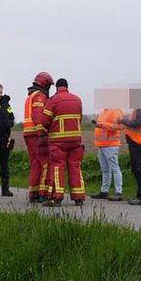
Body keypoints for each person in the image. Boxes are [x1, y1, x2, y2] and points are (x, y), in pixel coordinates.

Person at [39, 77, 85, 206]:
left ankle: (56, 198)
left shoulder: (53, 100)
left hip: (58, 141)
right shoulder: (77, 99)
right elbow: (79, 118)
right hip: (76, 140)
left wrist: (46, 131)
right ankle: (79, 197)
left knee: (57, 167)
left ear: (57, 88)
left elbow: (44, 121)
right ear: (67, 86)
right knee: (75, 166)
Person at [22, 71, 53, 203]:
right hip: (36, 134)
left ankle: (33, 193)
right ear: (44, 84)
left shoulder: (31, 95)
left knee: (35, 164)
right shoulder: (40, 96)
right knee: (45, 163)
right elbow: (39, 115)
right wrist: (42, 134)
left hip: (29, 134)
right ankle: (43, 192)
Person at [118, 103, 141, 205]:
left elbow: (138, 122)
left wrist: (122, 120)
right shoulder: (140, 107)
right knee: (136, 169)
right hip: (137, 141)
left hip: (140, 142)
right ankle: (140, 195)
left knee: (138, 169)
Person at [92, 106, 124, 200]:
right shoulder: (104, 112)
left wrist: (101, 125)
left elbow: (118, 127)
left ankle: (119, 192)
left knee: (115, 168)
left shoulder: (116, 110)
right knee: (105, 170)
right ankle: (104, 191)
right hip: (102, 144)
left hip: (111, 144)